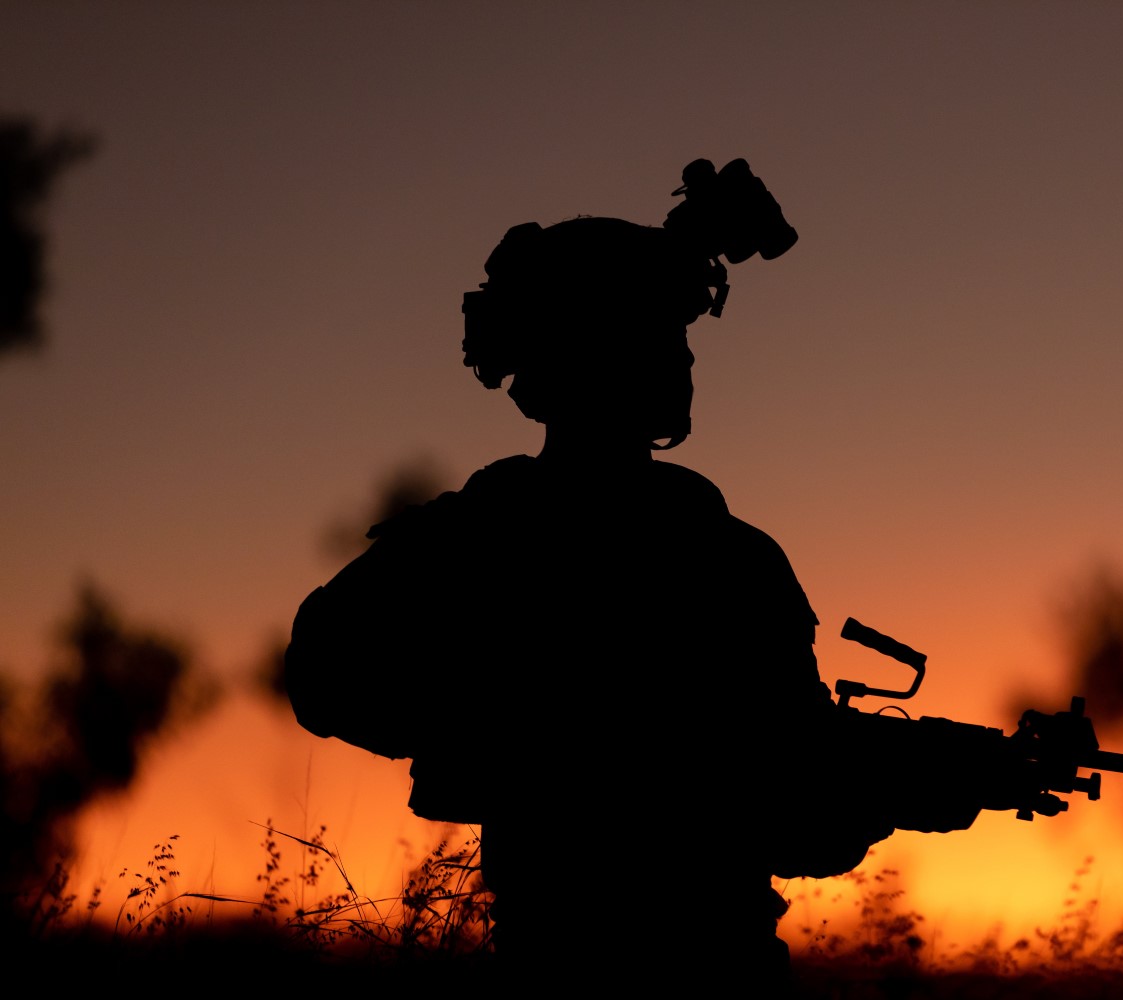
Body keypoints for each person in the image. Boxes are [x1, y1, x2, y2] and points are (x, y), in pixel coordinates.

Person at [284, 160, 917, 994]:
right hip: (706, 970)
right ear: (606, 354)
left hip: (547, 962)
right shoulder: (721, 557)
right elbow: (801, 819)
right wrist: (896, 788)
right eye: (666, 337)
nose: (684, 362)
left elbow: (319, 673)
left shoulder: (471, 533)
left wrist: (497, 734)